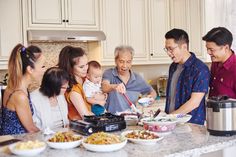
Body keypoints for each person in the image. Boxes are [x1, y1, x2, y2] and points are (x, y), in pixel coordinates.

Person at [164, 28, 210, 125]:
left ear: (184, 47)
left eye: (171, 49)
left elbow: (194, 102)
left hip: (191, 125)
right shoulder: (173, 67)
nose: (168, 53)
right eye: (166, 49)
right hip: (172, 123)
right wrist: (167, 117)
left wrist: (169, 118)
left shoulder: (200, 69)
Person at [1, 44, 46, 135]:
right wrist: (51, 136)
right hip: (15, 144)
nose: (44, 70)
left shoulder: (14, 87)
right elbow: (31, 129)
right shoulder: (20, 95)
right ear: (30, 69)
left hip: (14, 142)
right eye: (42, 66)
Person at [102, 45, 157, 114]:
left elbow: (152, 92)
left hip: (131, 119)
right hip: (111, 119)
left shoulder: (137, 79)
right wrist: (115, 87)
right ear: (116, 61)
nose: (125, 65)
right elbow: (104, 86)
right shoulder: (109, 73)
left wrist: (151, 98)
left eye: (128, 62)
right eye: (121, 61)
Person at [58, 46, 94, 120]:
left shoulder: (85, 79)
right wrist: (104, 119)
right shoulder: (73, 90)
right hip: (80, 127)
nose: (86, 68)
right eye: (81, 67)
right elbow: (86, 116)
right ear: (70, 68)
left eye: (87, 64)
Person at [202, 27, 236, 98]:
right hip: (212, 108)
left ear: (226, 48)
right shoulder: (215, 63)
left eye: (211, 49)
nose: (208, 52)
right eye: (207, 49)